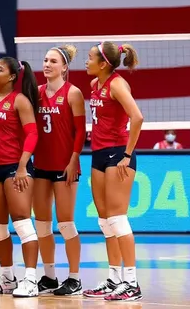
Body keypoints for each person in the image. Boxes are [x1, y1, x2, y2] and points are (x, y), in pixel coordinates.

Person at [83, 41, 143, 301]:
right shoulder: (95, 85)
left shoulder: (117, 84)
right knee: (105, 221)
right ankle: (114, 278)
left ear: (103, 63)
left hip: (118, 153)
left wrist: (127, 155)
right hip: (98, 153)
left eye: (89, 58)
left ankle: (132, 283)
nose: (85, 62)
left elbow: (137, 117)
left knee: (118, 219)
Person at [0, 57, 40, 298]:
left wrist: (23, 166)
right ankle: (8, 279)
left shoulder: (20, 101)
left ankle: (31, 280)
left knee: (22, 222)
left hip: (16, 167)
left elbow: (32, 134)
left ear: (12, 77)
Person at [32, 46, 86, 296]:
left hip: (65, 166)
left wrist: (74, 160)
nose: (47, 64)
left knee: (65, 223)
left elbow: (80, 133)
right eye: (45, 60)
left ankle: (74, 278)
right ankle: (50, 276)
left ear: (64, 67)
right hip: (41, 165)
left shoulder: (73, 93)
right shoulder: (37, 93)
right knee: (42, 225)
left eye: (53, 61)